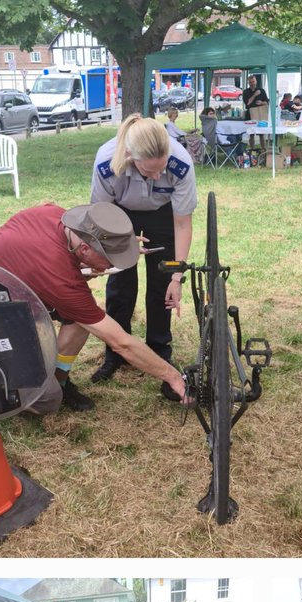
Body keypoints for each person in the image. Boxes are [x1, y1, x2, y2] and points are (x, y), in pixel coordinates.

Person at [0, 202, 189, 411]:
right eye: (111, 259)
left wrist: (121, 245)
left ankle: (60, 379)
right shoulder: (59, 277)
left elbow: (38, 260)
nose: (113, 266)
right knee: (48, 401)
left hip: (8, 295)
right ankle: (0, 387)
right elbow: (121, 344)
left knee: (80, 322)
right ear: (85, 249)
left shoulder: (56, 216)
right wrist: (173, 376)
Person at [88, 113, 197, 402]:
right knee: (120, 281)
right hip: (120, 213)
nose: (159, 176)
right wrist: (121, 243)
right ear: (129, 157)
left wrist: (178, 276)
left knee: (162, 284)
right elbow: (101, 217)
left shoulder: (180, 162)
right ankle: (116, 353)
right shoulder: (107, 161)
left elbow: (183, 224)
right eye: (150, 171)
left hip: (163, 214)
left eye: (162, 170)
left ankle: (160, 349)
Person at [242, 73, 268, 153]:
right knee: (251, 133)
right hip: (250, 114)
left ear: (256, 81)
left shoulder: (262, 90)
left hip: (260, 114)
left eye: (253, 81)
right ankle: (252, 149)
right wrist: (255, 95)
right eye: (250, 82)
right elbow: (248, 103)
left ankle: (263, 149)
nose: (252, 83)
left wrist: (261, 102)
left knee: (261, 133)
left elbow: (267, 102)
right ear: (248, 83)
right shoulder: (246, 92)